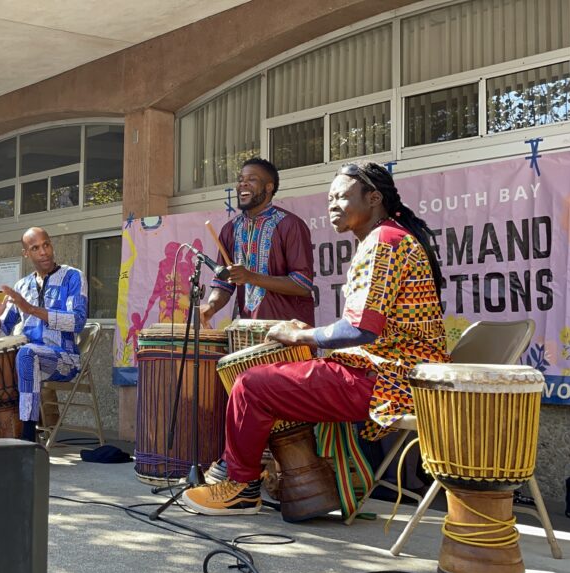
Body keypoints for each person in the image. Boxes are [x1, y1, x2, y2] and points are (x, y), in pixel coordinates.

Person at [182, 161, 449, 515]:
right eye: (329, 199)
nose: (333, 205)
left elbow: (360, 329)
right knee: (275, 380)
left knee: (250, 386)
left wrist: (300, 334)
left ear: (373, 198)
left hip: (388, 378)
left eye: (341, 197)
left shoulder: (384, 241)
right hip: (394, 372)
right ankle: (295, 480)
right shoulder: (387, 237)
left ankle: (242, 487)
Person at [0, 227, 88, 441]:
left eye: (46, 245)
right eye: (35, 248)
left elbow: (77, 321)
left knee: (26, 354)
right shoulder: (22, 286)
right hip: (23, 360)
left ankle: (27, 438)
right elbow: (1, 335)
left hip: (63, 359)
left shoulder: (73, 277)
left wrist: (31, 309)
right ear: (26, 253)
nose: (43, 251)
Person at [199, 157, 315, 327]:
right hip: (247, 334)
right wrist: (210, 308)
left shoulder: (290, 225)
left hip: (290, 335)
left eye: (251, 179)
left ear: (269, 187)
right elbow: (223, 284)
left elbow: (302, 283)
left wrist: (251, 277)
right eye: (240, 180)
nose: (243, 184)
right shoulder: (230, 229)